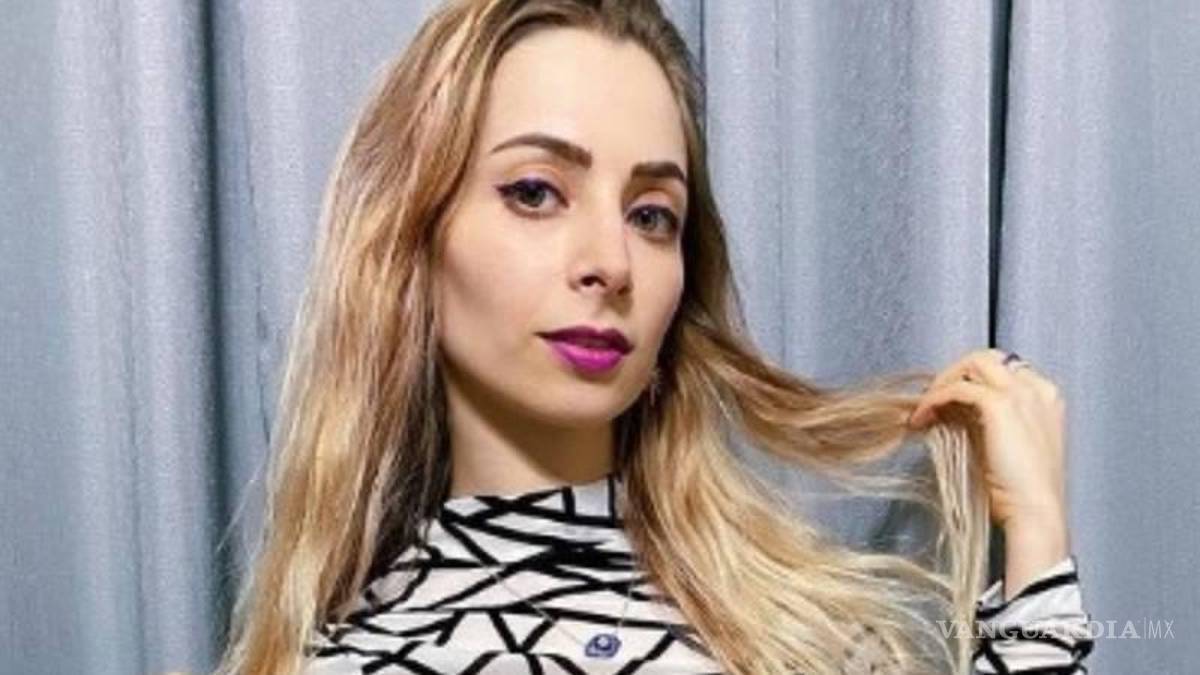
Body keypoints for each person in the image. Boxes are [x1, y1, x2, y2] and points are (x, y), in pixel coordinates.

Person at [214, 1, 1093, 673]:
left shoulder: (803, 632)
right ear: (413, 239)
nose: (611, 262)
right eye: (535, 192)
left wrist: (1039, 552)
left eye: (651, 214)